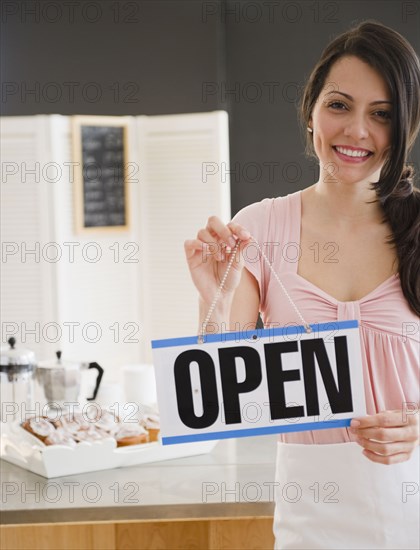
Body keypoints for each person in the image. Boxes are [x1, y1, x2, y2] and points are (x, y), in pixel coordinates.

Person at [184, 20, 420, 550]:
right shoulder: (261, 228)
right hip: (313, 523)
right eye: (339, 105)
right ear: (311, 109)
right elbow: (219, 388)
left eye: (381, 114)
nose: (357, 131)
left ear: (405, 125)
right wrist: (211, 292)